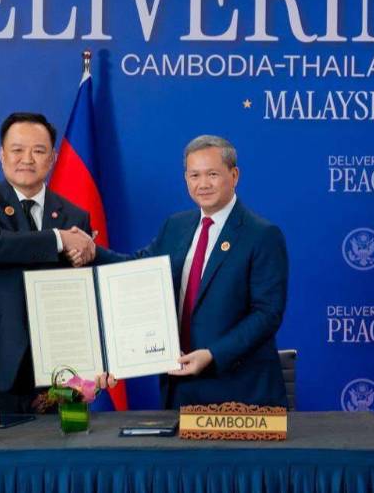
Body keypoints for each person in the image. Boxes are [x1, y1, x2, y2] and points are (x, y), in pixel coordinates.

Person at [98, 135, 289, 408]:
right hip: (180, 386)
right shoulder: (175, 226)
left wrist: (212, 354)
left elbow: (267, 314)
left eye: (212, 174)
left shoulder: (262, 235)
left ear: (234, 175)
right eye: (194, 175)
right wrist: (91, 252)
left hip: (238, 391)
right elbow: (138, 269)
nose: (203, 184)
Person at [0, 112, 100, 413]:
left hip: (54, 371)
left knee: (55, 444)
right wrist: (59, 240)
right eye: (17, 150)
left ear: (52, 158)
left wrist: (84, 256)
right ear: (2, 155)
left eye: (38, 151)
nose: (27, 159)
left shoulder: (74, 216)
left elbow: (77, 296)